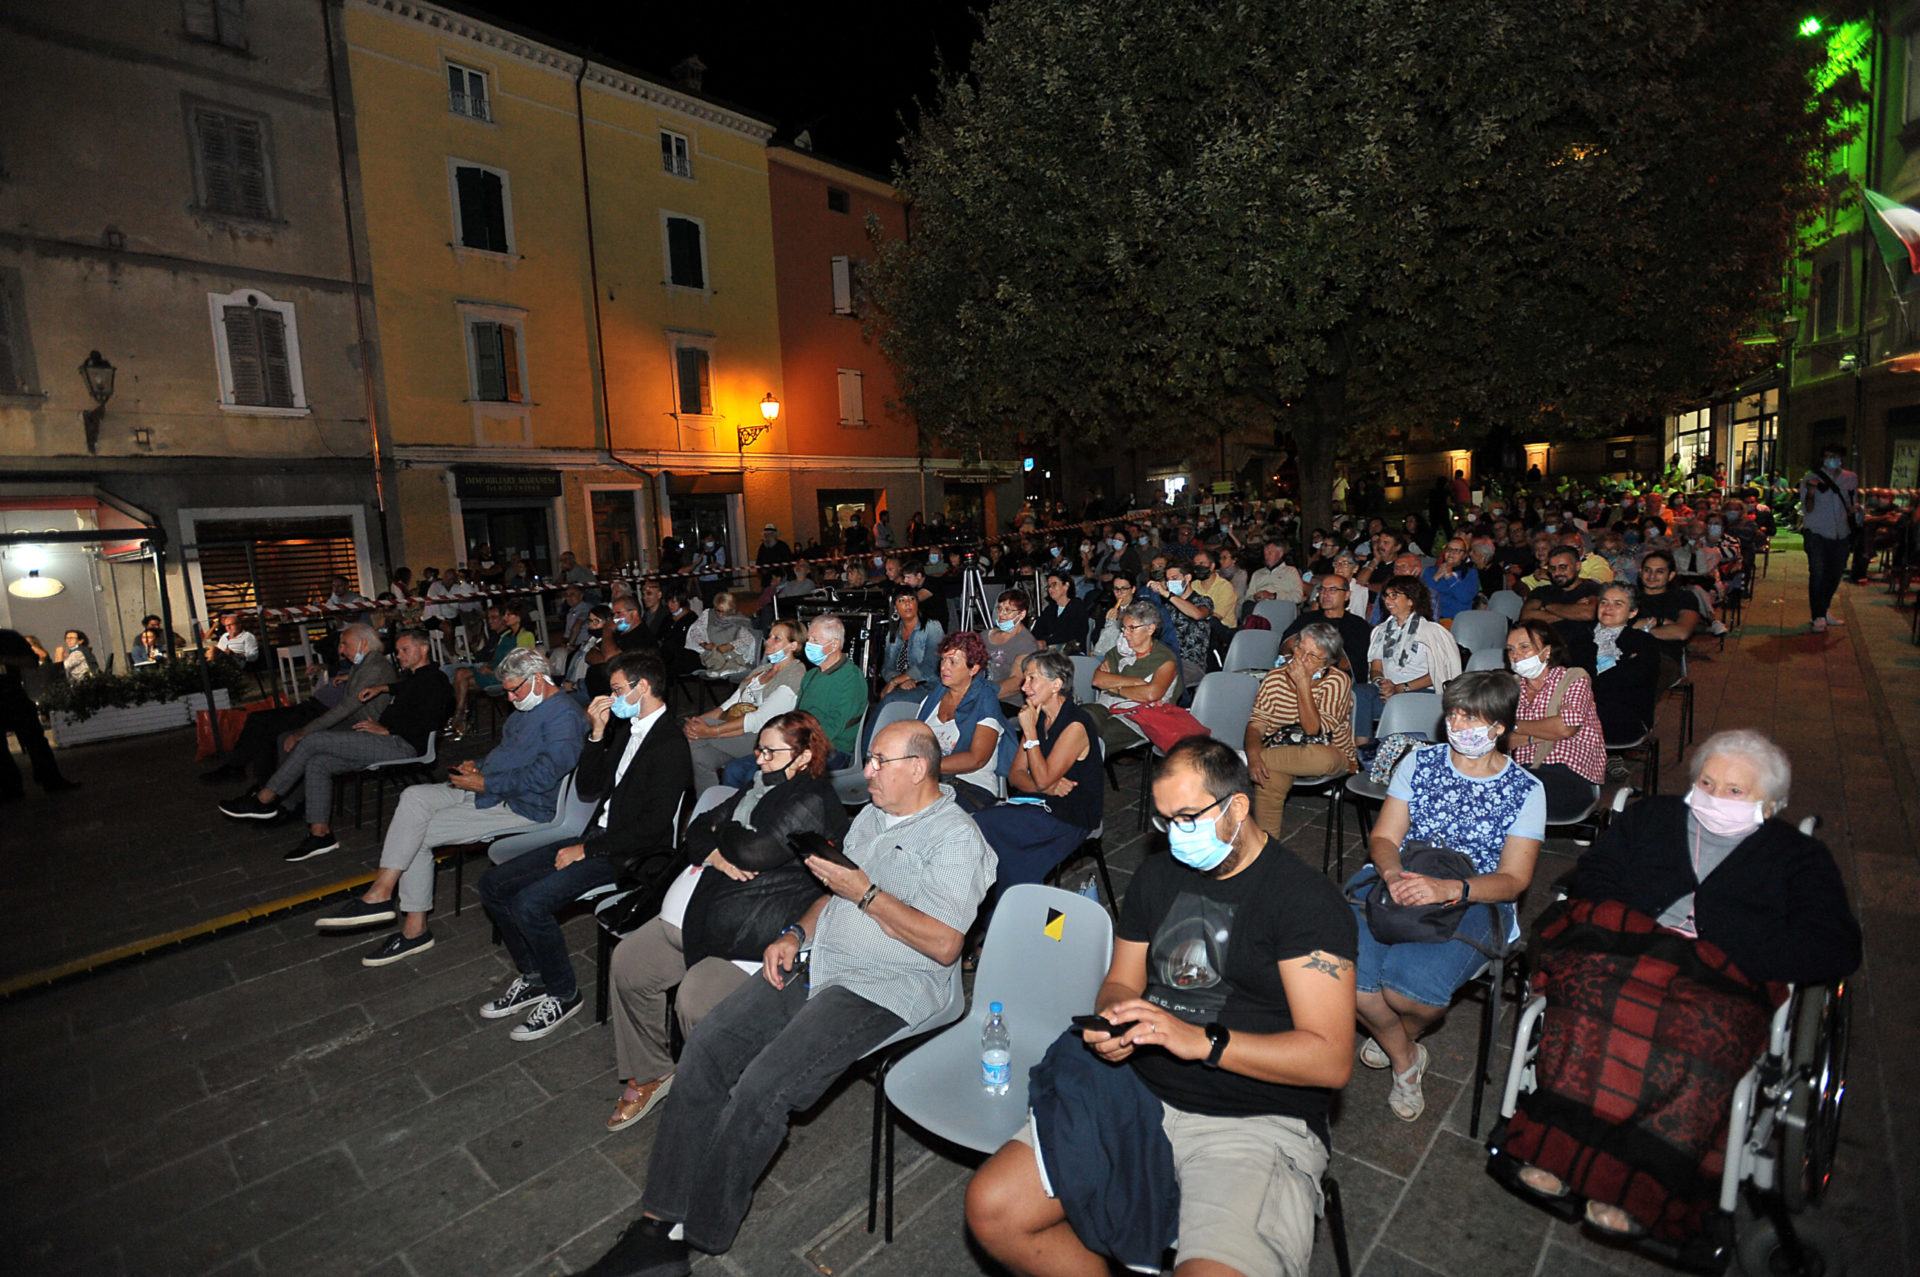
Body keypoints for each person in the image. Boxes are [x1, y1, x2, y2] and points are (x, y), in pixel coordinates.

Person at [579, 719, 994, 1276]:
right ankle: (660, 1222)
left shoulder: (956, 839)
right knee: (707, 1047)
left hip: (888, 985)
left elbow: (945, 945)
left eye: (879, 762)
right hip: (820, 960)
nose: (865, 771)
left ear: (917, 769)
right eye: (869, 759)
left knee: (763, 1087)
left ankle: (699, 1228)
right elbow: (833, 895)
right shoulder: (872, 814)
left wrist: (865, 893)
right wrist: (796, 933)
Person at [966, 737, 1357, 1277]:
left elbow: (1331, 1059)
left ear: (1237, 808)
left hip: (1252, 1117)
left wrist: (1201, 1041)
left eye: (1189, 817)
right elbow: (1121, 982)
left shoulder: (1304, 901)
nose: (1176, 834)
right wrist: (1115, 1021)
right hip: (1140, 1087)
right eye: (1166, 819)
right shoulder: (1158, 877)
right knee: (994, 1211)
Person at [1501, 731, 1861, 1240]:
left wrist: (1734, 945)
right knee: (1585, 1002)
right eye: (1708, 782)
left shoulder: (1797, 858)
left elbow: (1836, 946)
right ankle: (1558, 1150)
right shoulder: (1654, 819)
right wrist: (1637, 926)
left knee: (1701, 1034)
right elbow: (1595, 874)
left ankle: (1644, 1185)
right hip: (1626, 954)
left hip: (1722, 978)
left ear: (1771, 803)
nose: (1716, 796)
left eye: (1735, 791)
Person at [603, 711, 844, 1131]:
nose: (760, 759)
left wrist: (723, 829)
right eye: (759, 749)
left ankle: (725, 1104)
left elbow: (755, 853)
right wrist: (716, 848)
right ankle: (652, 1072)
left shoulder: (810, 800)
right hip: (698, 920)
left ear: (804, 757)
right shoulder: (756, 787)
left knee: (696, 1000)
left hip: (748, 934)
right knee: (629, 963)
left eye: (771, 752)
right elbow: (695, 830)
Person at [1347, 670, 1544, 1121]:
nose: (1459, 725)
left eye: (1472, 718)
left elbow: (1513, 879)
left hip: (1476, 894)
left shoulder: (1526, 791)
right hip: (1403, 876)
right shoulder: (1421, 762)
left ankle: (1396, 1036)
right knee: (1350, 976)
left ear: (1500, 726)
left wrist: (1450, 889)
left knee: (1411, 990)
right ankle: (1405, 1057)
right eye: (1454, 713)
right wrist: (1394, 875)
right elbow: (1384, 837)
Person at [314, 648, 587, 966]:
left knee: (417, 832)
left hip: (521, 804)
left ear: (539, 679)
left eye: (514, 689)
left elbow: (545, 776)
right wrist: (478, 765)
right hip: (492, 786)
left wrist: (483, 783)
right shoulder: (529, 708)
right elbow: (508, 754)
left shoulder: (565, 717)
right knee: (414, 797)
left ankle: (408, 923)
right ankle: (382, 892)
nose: (510, 698)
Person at [476, 650, 691, 1040]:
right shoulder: (627, 729)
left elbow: (651, 829)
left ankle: (563, 993)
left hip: (630, 854)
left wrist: (587, 851)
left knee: (530, 904)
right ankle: (536, 976)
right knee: (493, 885)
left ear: (642, 688)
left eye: (617, 690)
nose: (611, 698)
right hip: (598, 837)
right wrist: (595, 733)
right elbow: (591, 787)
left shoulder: (669, 744)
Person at [218, 628, 454, 861]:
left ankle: (264, 799)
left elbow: (431, 718)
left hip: (402, 744)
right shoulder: (416, 678)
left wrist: (389, 729)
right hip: (385, 738)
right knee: (319, 763)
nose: (399, 655)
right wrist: (384, 688)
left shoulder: (435, 679)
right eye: (398, 651)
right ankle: (320, 834)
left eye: (405, 650)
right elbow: (407, 688)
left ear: (424, 649)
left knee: (313, 740)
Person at [970, 650, 1104, 894]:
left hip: (1070, 815)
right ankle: (1011, 907)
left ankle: (1013, 907)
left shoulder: (1075, 724)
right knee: (989, 834)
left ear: (1056, 684)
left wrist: (1030, 733)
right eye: (1025, 679)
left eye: (1032, 678)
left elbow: (1039, 777)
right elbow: (1016, 774)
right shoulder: (1038, 715)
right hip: (1040, 802)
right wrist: (1046, 786)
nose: (1023, 686)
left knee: (985, 826)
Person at [201, 623, 396, 787]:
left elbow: (348, 705)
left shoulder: (372, 666)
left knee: (268, 726)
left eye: (345, 644)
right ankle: (264, 785)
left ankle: (264, 785)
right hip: (317, 706)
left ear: (363, 643)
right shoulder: (360, 664)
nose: (340, 650)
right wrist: (341, 674)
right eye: (340, 644)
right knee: (262, 723)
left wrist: (305, 731)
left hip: (323, 711)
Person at [716, 615, 867, 789]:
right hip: (801, 742)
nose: (808, 644)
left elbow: (833, 727)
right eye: (809, 638)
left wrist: (793, 747)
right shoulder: (812, 675)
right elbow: (797, 715)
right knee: (734, 769)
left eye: (815, 640)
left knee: (758, 776)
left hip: (833, 749)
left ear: (834, 645)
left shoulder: (851, 679)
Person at [1245, 622, 1358, 834]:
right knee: (1268, 776)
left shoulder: (1337, 681)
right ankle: (1266, 852)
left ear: (1328, 662)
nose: (1302, 659)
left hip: (1330, 753)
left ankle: (1248, 761)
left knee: (1318, 757)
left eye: (1313, 656)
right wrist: (1253, 755)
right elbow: (1257, 724)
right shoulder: (1275, 677)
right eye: (1300, 649)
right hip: (1284, 754)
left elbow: (1313, 729)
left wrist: (1302, 684)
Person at [683, 619, 808, 793]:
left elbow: (759, 720)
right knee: (699, 755)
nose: (768, 642)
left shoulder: (795, 674)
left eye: (777, 638)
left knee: (697, 735)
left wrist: (711, 731)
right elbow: (726, 707)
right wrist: (694, 722)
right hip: (738, 734)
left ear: (793, 646)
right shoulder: (761, 670)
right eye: (769, 636)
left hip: (762, 739)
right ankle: (712, 809)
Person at [1503, 619, 1605, 821]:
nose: (1516, 656)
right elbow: (1504, 740)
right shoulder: (1510, 688)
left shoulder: (1574, 679)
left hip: (1569, 774)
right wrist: (1543, 733)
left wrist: (1515, 726)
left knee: (1514, 797)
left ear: (1547, 651)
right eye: (1510, 650)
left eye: (1524, 647)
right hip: (1524, 773)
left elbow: (1565, 727)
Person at [1352, 575, 1461, 745]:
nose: (1388, 600)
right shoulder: (1381, 631)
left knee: (1390, 704)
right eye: (1386, 595)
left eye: (1394, 595)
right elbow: (1376, 667)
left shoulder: (1433, 632)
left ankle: (1384, 750)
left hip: (1422, 694)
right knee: (1359, 693)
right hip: (1388, 692)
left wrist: (1401, 688)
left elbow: (1440, 674)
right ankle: (1362, 751)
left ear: (1411, 600)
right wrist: (1382, 683)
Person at [914, 631, 1015, 806]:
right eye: (943, 660)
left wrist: (924, 766)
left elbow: (977, 758)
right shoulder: (933, 699)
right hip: (931, 781)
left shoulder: (985, 701)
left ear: (973, 669)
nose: (944, 667)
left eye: (953, 662)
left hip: (971, 787)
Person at [1554, 583, 1662, 746]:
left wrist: (1592, 682)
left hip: (1625, 716)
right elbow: (1570, 678)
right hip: (1579, 711)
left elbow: (1631, 682)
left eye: (1618, 603)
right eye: (1604, 602)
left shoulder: (1644, 642)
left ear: (1632, 612)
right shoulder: (1580, 640)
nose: (1608, 608)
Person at [1086, 600, 1184, 755]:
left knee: (1092, 740)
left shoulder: (1165, 658)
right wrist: (1137, 683)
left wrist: (1114, 685)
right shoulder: (1118, 651)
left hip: (1139, 717)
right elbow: (1098, 680)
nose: (1125, 633)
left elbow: (1151, 694)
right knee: (1077, 720)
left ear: (1150, 629)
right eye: (1124, 628)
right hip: (1107, 705)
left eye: (1131, 628)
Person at [0, 628, 79, 800]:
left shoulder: (8, 638)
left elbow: (32, 661)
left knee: (36, 741)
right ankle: (10, 789)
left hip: (14, 697)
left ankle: (51, 780)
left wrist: (5, 659)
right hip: (13, 699)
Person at [866, 587, 947, 746]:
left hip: (928, 685)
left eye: (911, 599)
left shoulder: (932, 626)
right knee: (873, 702)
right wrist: (900, 681)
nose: (907, 604)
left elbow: (931, 665)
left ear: (917, 603)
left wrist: (895, 682)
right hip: (903, 685)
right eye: (901, 600)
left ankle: (868, 751)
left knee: (890, 701)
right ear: (895, 607)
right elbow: (886, 667)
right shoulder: (894, 631)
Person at [449, 603, 536, 735]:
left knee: (460, 675)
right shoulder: (505, 635)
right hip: (493, 672)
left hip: (504, 676)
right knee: (462, 682)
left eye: (509, 615)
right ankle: (462, 717)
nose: (505, 618)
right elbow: (495, 657)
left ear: (519, 617)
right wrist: (488, 667)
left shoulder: (525, 636)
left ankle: (460, 715)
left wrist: (491, 671)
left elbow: (521, 664)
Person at [1799, 444, 1857, 632]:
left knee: (1835, 573)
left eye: (1836, 455)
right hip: (1816, 531)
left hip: (1841, 532)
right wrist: (1811, 493)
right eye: (1828, 456)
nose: (1832, 459)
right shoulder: (1811, 478)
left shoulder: (1850, 478)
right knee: (1818, 572)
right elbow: (1807, 508)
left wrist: (1856, 511)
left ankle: (1823, 610)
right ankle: (1817, 616)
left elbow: (1851, 503)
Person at [1282, 575, 1372, 675]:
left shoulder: (1357, 625)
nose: (1325, 594)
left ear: (1347, 595)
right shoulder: (1307, 618)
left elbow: (1347, 664)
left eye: (1332, 590)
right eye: (1322, 589)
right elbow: (1287, 645)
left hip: (1336, 679)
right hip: (1298, 671)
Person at [1630, 549, 1702, 660]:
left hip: (1663, 657)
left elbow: (1682, 632)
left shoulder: (1684, 598)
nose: (1652, 576)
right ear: (1641, 572)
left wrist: (1640, 631)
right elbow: (1615, 627)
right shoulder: (1629, 596)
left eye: (1659, 571)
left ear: (1671, 575)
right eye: (1647, 570)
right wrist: (1658, 623)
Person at [984, 588, 1041, 705]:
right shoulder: (985, 635)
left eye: (1008, 610)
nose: (1001, 614)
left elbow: (1016, 682)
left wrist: (981, 694)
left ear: (1022, 614)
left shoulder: (1026, 643)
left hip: (1007, 703)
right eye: (999, 608)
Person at [1029, 568, 1090, 651]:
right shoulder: (1050, 609)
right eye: (1049, 586)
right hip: (1049, 649)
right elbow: (1037, 631)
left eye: (1054, 584)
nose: (1050, 589)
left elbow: (1070, 634)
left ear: (1066, 586)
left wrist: (1045, 641)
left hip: (1071, 650)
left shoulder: (1077, 607)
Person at [1421, 537, 1478, 621]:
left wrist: (1450, 576)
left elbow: (1465, 597)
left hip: (1456, 620)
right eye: (1449, 549)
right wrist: (1436, 577)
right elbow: (1422, 595)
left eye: (1457, 550)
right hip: (1431, 618)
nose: (1451, 553)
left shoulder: (1470, 574)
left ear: (1464, 555)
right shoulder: (1431, 571)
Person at [1244, 538, 1306, 610]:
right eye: (1265, 554)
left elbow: (1298, 597)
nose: (1266, 557)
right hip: (1259, 606)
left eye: (1270, 553)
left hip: (1280, 606)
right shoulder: (1257, 573)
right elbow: (1248, 596)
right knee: (1247, 605)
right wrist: (1254, 597)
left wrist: (1273, 596)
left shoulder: (1290, 571)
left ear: (1280, 554)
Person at [1187, 547, 1238, 630]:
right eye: (1195, 565)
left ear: (1212, 566)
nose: (1198, 567)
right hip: (1199, 628)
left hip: (1222, 630)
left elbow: (1217, 616)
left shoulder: (1225, 587)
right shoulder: (1193, 585)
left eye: (1202, 564)